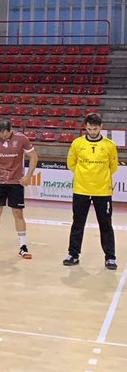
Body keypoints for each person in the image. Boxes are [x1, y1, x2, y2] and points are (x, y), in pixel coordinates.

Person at [64, 112, 119, 270]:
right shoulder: (77, 143)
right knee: (78, 223)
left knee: (106, 224)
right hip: (81, 190)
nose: (92, 132)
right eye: (89, 129)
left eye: (95, 129)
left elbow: (113, 167)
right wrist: (84, 177)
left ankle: (110, 257)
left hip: (103, 191)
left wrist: (99, 178)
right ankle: (73, 254)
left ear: (101, 127)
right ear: (85, 127)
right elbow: (71, 164)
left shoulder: (109, 145)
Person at [0, 118, 38, 259]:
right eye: (0, 134)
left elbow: (34, 157)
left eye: (5, 134)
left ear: (11, 130)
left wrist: (29, 175)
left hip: (15, 182)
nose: (3, 136)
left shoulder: (22, 139)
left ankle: (23, 246)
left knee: (18, 213)